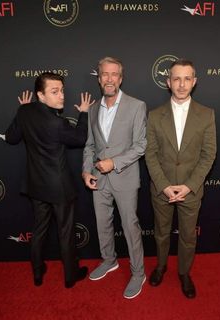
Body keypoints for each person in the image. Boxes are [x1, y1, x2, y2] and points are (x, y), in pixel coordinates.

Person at [0, 72, 94, 288]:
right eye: (54, 92)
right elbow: (80, 139)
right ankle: (70, 276)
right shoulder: (56, 123)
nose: (61, 96)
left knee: (39, 230)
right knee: (66, 233)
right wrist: (84, 114)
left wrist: (23, 110)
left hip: (36, 186)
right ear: (40, 95)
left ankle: (38, 274)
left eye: (62, 91)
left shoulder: (25, 111)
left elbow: (12, 138)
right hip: (59, 188)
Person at [145, 59, 217, 298]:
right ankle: (161, 266)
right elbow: (151, 154)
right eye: (177, 78)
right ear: (168, 82)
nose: (182, 84)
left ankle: (184, 273)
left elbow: (209, 155)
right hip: (161, 189)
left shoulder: (207, 115)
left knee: (187, 237)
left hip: (191, 190)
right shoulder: (154, 116)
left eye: (187, 78)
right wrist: (164, 186)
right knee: (161, 233)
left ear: (194, 82)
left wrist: (189, 186)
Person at [82, 57, 147, 299]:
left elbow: (141, 145)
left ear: (120, 78)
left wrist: (115, 162)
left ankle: (138, 273)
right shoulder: (93, 109)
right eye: (104, 75)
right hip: (99, 177)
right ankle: (109, 260)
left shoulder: (136, 106)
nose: (109, 79)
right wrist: (86, 170)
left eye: (114, 75)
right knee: (102, 223)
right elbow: (89, 145)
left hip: (124, 177)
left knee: (130, 227)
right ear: (99, 79)